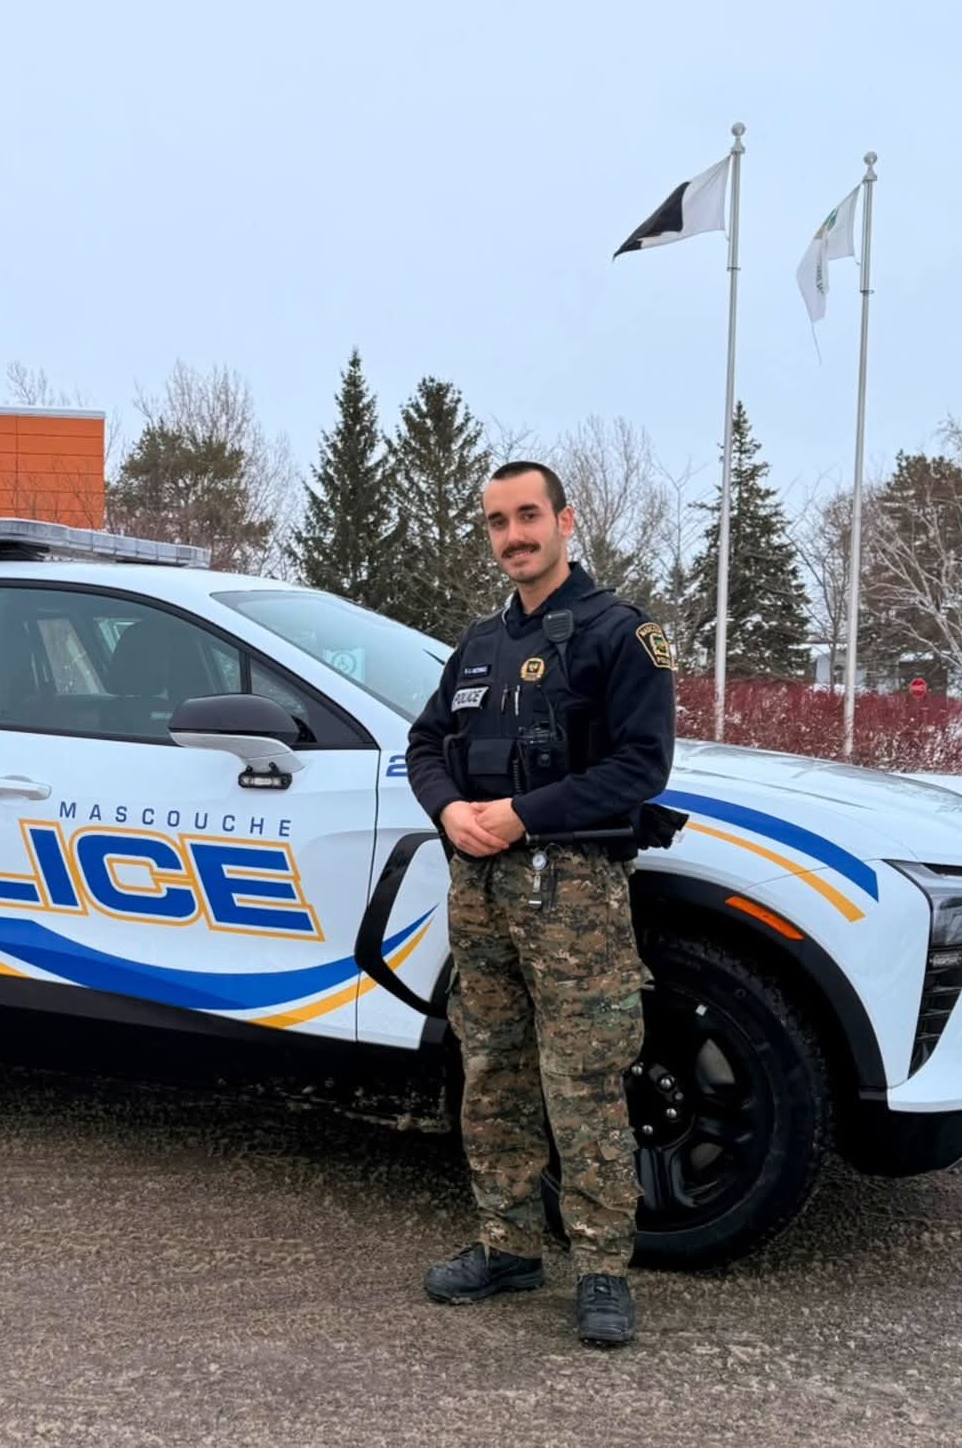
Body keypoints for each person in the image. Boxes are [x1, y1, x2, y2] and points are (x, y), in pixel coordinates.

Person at [404, 460, 678, 1348]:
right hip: (481, 889)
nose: (513, 535)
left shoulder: (621, 634)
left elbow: (642, 764)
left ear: (565, 520)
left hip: (573, 893)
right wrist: (449, 808)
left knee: (584, 1078)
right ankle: (508, 1244)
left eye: (528, 515)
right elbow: (425, 742)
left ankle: (601, 1268)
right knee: (492, 1068)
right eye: (497, 521)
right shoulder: (479, 643)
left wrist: (525, 812)